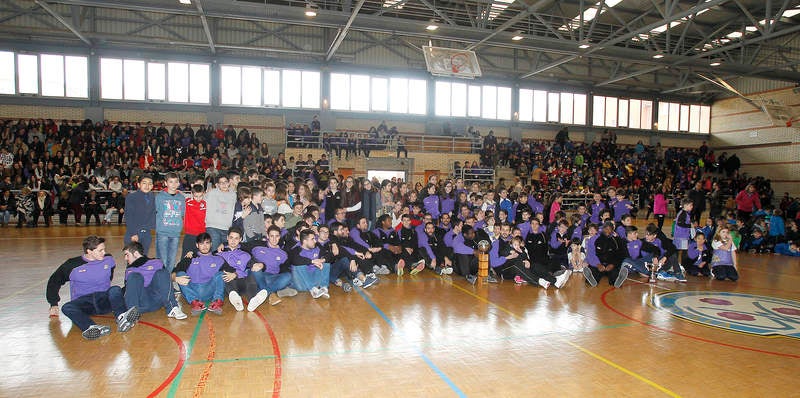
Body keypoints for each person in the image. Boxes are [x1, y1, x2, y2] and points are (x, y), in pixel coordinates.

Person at [46, 235, 141, 340]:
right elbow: (54, 281)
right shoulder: (72, 265)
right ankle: (91, 327)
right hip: (84, 303)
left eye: (104, 249)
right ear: (89, 251)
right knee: (67, 307)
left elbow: (110, 275)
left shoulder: (109, 260)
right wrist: (53, 303)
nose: (104, 253)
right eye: (100, 250)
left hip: (103, 300)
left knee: (115, 289)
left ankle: (122, 317)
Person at [122, 241, 187, 319]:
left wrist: (174, 279)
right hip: (141, 304)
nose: (125, 258)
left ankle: (172, 308)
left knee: (162, 272)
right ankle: (131, 314)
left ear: (135, 253)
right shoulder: (130, 270)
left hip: (157, 301)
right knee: (134, 276)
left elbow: (165, 280)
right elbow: (128, 291)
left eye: (127, 255)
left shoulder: (156, 262)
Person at [217, 227, 270, 312]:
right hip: (231, 283)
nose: (233, 241)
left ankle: (253, 300)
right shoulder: (220, 253)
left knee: (251, 274)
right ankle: (235, 299)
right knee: (226, 275)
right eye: (231, 238)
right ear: (227, 238)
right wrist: (191, 254)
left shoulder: (245, 252)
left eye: (236, 238)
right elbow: (207, 257)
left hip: (244, 282)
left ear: (240, 239)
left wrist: (262, 265)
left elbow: (253, 263)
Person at [172, 233, 227, 315]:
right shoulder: (190, 257)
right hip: (192, 289)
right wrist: (175, 278)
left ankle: (217, 302)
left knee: (221, 274)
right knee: (180, 274)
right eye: (201, 243)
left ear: (211, 244)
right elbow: (174, 272)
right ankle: (195, 302)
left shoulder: (218, 258)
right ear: (197, 245)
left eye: (207, 243)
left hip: (209, 290)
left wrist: (234, 274)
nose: (205, 246)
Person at [248, 225, 299, 303]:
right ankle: (272, 293)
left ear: (280, 237)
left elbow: (285, 269)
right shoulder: (257, 246)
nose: (274, 239)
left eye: (277, 236)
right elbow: (240, 248)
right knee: (256, 270)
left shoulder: (283, 254)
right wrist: (223, 244)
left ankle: (265, 291)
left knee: (288, 276)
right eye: (272, 236)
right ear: (267, 236)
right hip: (257, 275)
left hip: (272, 278)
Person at [288, 229, 331, 299]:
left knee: (326, 263)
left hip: (314, 280)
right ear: (305, 241)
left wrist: (322, 260)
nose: (315, 241)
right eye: (312, 239)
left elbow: (329, 255)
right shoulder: (296, 249)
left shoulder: (317, 246)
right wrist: (313, 261)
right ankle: (313, 290)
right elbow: (294, 260)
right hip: (302, 282)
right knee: (299, 264)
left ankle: (323, 288)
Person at [155, 172, 185, 273]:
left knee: (172, 260)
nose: (173, 184)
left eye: (176, 182)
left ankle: (168, 280)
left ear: (179, 184)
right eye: (171, 182)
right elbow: (157, 211)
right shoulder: (160, 197)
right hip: (163, 232)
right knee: (162, 259)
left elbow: (182, 214)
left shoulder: (181, 198)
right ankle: (161, 279)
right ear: (165, 183)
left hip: (175, 233)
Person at [584, 221, 629, 288]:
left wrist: (613, 264)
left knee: (614, 274)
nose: (607, 230)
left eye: (609, 229)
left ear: (612, 230)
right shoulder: (594, 239)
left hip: (610, 265)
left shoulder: (617, 240)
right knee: (594, 272)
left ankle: (617, 280)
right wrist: (598, 264)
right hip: (598, 264)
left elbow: (620, 255)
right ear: (602, 229)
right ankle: (591, 279)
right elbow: (590, 254)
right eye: (605, 228)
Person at [125, 175, 156, 255]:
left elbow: (153, 214)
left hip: (147, 233)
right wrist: (133, 233)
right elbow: (128, 216)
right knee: (132, 259)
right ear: (138, 185)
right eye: (144, 183)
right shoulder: (131, 197)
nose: (147, 186)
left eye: (150, 184)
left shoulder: (152, 197)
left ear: (152, 186)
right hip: (134, 232)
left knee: (143, 257)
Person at [205, 174, 237, 250]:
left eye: (225, 182)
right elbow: (200, 199)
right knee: (215, 251)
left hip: (227, 228)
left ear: (229, 183)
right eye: (221, 183)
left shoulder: (233, 194)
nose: (224, 184)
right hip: (213, 227)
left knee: (226, 252)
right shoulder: (212, 193)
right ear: (217, 185)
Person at [183, 184, 207, 258]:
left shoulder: (205, 204)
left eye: (200, 196)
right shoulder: (187, 202)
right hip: (189, 233)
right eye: (196, 196)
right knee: (186, 255)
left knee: (199, 255)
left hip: (201, 234)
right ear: (192, 194)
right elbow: (179, 193)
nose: (198, 198)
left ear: (203, 194)